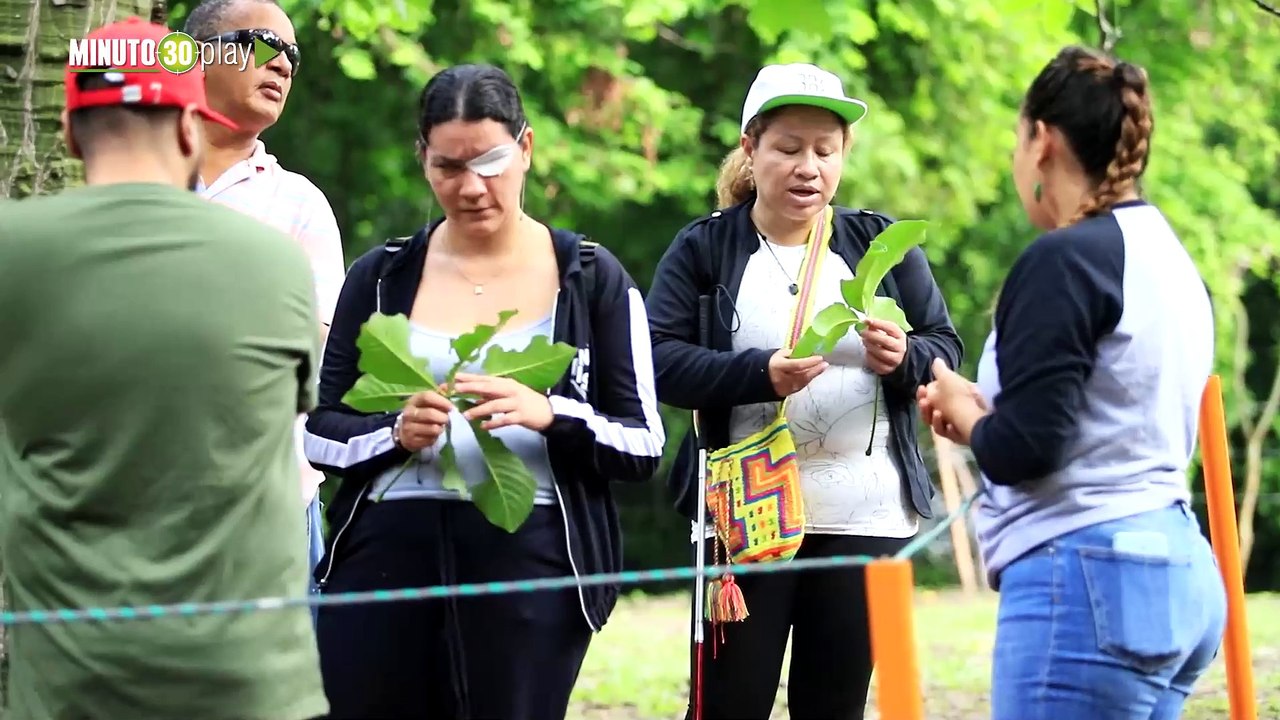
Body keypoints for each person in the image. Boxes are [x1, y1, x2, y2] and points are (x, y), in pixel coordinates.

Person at [302, 63, 665, 719]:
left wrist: (550, 414)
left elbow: (642, 445)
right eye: (448, 167)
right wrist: (394, 433)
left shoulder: (591, 278)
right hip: (388, 553)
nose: (471, 187)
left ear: (525, 149)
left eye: (491, 161)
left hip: (533, 556)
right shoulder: (381, 277)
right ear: (423, 161)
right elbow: (321, 430)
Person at [0, 17, 327, 720]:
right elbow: (301, 400)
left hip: (73, 677)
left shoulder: (12, 253)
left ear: (68, 130)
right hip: (249, 676)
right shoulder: (273, 261)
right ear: (189, 128)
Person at [646, 63, 963, 720]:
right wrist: (758, 372)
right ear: (750, 148)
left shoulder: (880, 244)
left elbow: (944, 350)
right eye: (787, 148)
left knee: (834, 704)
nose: (807, 167)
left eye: (825, 150)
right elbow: (657, 361)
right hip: (743, 520)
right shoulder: (705, 248)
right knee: (729, 704)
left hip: (865, 518)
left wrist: (904, 357)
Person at [918, 46, 1227, 720]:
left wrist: (962, 413)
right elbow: (1100, 413)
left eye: (1016, 138)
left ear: (1043, 141)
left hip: (1087, 573)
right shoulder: (1170, 259)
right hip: (1177, 568)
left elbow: (1027, 449)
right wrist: (984, 407)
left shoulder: (1063, 259)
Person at [184, 0, 346, 605]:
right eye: (260, 42)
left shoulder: (299, 204)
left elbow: (310, 352)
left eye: (293, 54)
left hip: (267, 502)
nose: (283, 63)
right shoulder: (132, 179)